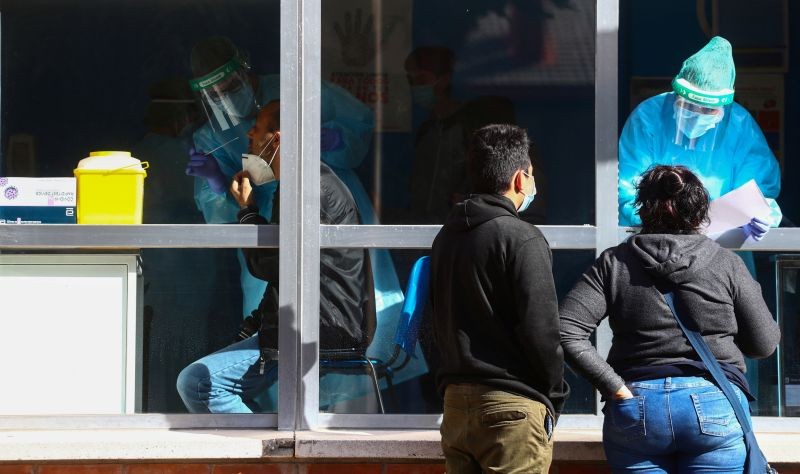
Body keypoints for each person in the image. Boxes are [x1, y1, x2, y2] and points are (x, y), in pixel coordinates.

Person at [560, 165, 780, 473]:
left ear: (642, 209)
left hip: (636, 404)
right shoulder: (727, 263)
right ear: (701, 211)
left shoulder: (613, 263)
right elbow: (764, 344)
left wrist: (615, 388)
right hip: (716, 400)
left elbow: (566, 331)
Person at [176, 101, 375, 413]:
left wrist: (248, 211)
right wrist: (258, 320)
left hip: (320, 328)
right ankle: (270, 442)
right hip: (312, 322)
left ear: (276, 138)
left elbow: (273, 265)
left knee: (199, 383)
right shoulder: (307, 181)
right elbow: (291, 272)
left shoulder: (306, 189)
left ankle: (271, 451)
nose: (250, 142)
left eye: (255, 133)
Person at [185, 36, 377, 318]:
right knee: (275, 313)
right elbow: (264, 258)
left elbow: (358, 125)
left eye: (232, 87)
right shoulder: (212, 135)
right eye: (215, 95)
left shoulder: (299, 92)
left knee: (346, 304)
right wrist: (216, 183)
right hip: (270, 228)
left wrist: (337, 139)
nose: (249, 134)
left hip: (325, 218)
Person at [430, 124, 569, 473]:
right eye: (532, 175)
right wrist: (554, 393)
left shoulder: (447, 237)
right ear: (521, 179)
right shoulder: (521, 237)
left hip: (457, 404)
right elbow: (542, 329)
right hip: (511, 407)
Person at [618, 37, 782, 238]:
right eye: (689, 107)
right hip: (656, 238)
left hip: (722, 243)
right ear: (677, 96)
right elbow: (627, 189)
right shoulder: (648, 119)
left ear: (723, 109)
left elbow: (756, 192)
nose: (697, 115)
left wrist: (757, 215)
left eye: (708, 110)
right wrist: (661, 223)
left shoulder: (739, 125)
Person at [403, 46, 547, 225]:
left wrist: (470, 202)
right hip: (428, 230)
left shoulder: (472, 129)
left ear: (446, 79)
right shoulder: (427, 131)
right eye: (410, 79)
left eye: (422, 78)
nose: (414, 86)